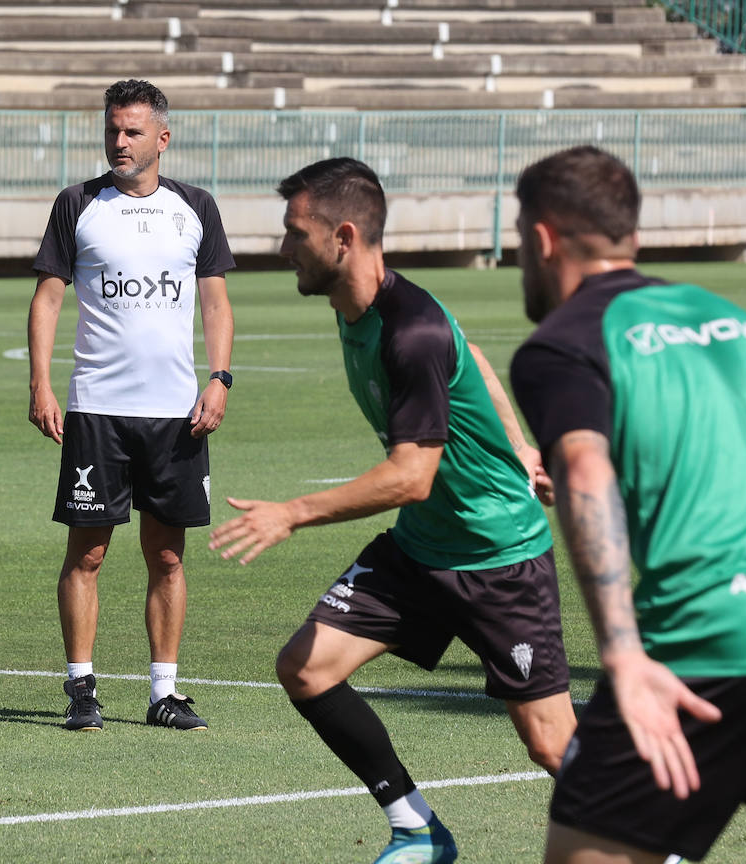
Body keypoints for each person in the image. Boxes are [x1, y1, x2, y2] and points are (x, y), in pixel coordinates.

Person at [209, 157, 575, 864]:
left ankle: (656, 844)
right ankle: (417, 829)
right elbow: (476, 357)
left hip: (496, 557)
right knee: (306, 668)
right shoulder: (369, 310)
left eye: (295, 233)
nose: (284, 248)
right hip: (422, 548)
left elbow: (410, 475)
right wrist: (522, 446)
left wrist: (291, 512)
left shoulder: (411, 330)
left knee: (551, 742)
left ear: (342, 236)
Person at [508, 145, 746, 864]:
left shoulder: (564, 344)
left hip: (709, 644)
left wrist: (621, 655)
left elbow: (582, 469)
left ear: (542, 238)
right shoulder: (745, 325)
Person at [28, 79, 235, 732]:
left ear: (162, 138)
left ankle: (164, 692)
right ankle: (81, 687)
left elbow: (216, 302)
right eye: (113, 129)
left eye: (133, 131)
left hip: (176, 414)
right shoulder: (78, 204)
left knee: (167, 554)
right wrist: (40, 384)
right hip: (97, 410)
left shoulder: (195, 206)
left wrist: (220, 377)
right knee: (87, 554)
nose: (119, 141)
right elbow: (49, 298)